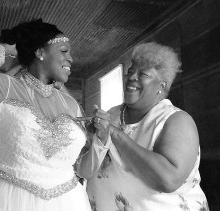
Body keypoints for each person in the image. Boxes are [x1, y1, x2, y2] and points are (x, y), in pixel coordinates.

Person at [0, 18, 91, 211]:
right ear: (40, 52)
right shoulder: (4, 87)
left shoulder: (71, 104)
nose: (71, 58)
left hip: (67, 202)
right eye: (64, 51)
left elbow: (82, 157)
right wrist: (4, 49)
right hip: (6, 199)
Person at [76, 42, 209, 211]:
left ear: (161, 85)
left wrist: (113, 133)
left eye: (143, 74)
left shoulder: (176, 120)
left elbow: (168, 179)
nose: (132, 77)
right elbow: (88, 161)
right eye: (130, 72)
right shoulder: (112, 113)